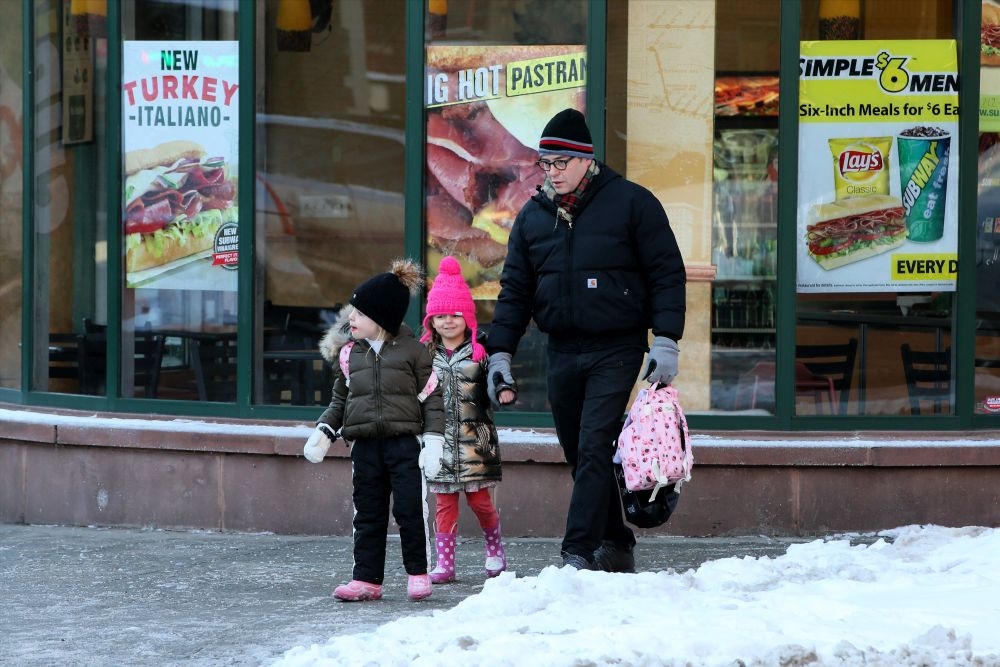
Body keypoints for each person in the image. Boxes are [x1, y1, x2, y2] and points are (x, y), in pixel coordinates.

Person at [486, 108, 686, 572]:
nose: (551, 173)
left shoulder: (632, 204)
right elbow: (515, 291)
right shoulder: (535, 219)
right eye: (545, 164)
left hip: (617, 346)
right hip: (562, 348)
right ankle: (616, 544)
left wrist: (667, 340)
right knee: (579, 452)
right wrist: (501, 351)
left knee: (596, 445)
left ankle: (575, 554)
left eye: (559, 163)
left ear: (584, 160)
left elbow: (666, 273)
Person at [302, 258, 445, 602]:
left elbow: (432, 398)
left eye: (359, 313)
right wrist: (324, 432)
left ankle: (417, 572)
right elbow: (341, 400)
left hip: (403, 444)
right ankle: (367, 579)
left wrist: (434, 442)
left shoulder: (413, 353)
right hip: (365, 446)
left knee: (410, 511)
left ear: (381, 319)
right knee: (367, 513)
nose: (350, 318)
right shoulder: (351, 355)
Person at [419, 255, 513, 584]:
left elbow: (497, 381)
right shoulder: (424, 356)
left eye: (455, 315)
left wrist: (503, 389)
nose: (447, 322)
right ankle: (445, 563)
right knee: (444, 504)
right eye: (440, 315)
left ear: (467, 318)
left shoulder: (480, 354)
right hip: (439, 443)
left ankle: (494, 548)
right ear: (431, 320)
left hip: (476, 443)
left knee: (480, 502)